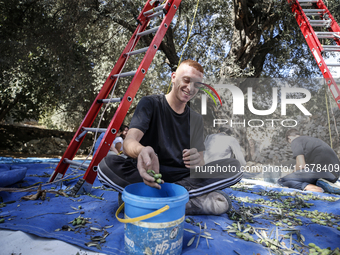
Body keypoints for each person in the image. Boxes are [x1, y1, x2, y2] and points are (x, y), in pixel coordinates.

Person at [97, 60, 243, 215]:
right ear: (173, 77)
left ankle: (145, 200)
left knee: (234, 166)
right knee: (105, 166)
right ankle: (184, 201)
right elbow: (129, 142)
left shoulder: (196, 119)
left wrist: (196, 160)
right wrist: (142, 151)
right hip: (146, 175)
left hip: (183, 180)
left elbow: (200, 162)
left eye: (197, 84)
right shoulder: (150, 103)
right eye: (186, 80)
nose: (190, 88)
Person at [278, 128, 340, 194]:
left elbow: (301, 165)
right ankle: (324, 184)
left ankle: (317, 189)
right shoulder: (311, 141)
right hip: (333, 175)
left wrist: (292, 176)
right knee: (297, 178)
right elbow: (299, 165)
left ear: (289, 138)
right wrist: (294, 173)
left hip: (320, 172)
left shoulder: (296, 141)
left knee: (283, 180)